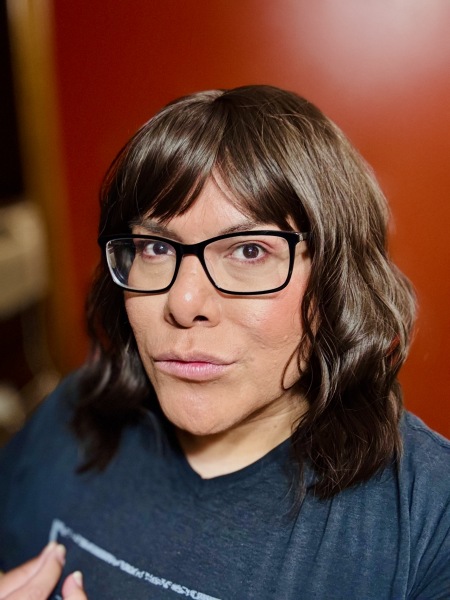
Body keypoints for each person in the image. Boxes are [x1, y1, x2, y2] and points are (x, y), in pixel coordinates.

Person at [0, 85, 449, 600]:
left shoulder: (428, 521)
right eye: (154, 247)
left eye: (250, 251)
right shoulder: (72, 411)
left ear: (337, 279)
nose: (183, 302)